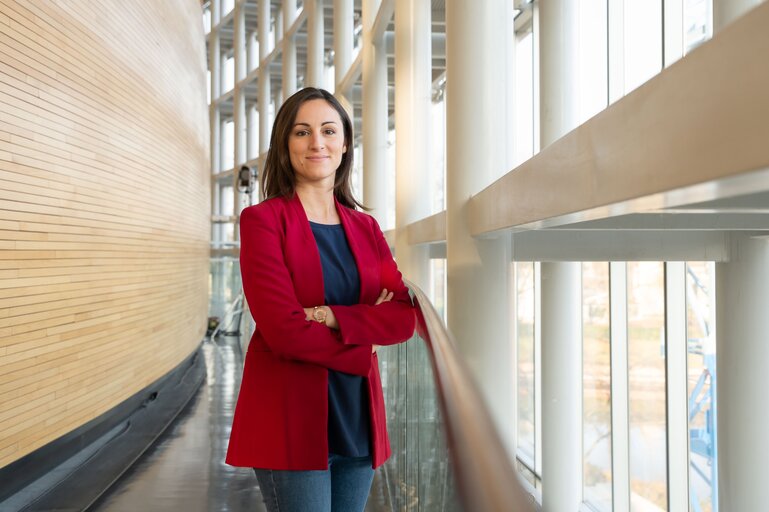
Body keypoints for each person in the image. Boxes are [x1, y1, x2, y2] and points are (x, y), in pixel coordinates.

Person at [225, 87, 416, 512]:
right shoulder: (263, 222)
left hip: (358, 421)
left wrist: (329, 316)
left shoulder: (366, 228)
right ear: (285, 145)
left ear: (345, 144)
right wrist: (364, 335)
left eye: (329, 130)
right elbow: (284, 332)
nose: (317, 143)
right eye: (302, 132)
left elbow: (404, 317)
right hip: (290, 420)